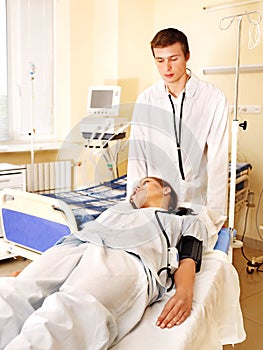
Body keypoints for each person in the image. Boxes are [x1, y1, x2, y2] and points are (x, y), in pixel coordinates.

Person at [0, 177, 225, 350]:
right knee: (14, 291)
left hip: (129, 256)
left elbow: (189, 257)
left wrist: (184, 292)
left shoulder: (181, 219)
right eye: (136, 185)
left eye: (145, 182)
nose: (137, 187)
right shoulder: (119, 209)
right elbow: (80, 233)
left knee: (70, 310)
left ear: (166, 190)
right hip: (76, 245)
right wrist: (33, 270)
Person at [127, 28, 229, 216]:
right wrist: (134, 206)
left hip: (197, 201)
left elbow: (218, 161)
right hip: (156, 202)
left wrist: (217, 213)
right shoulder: (146, 100)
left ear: (187, 56)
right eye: (160, 60)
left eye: (173, 59)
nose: (167, 68)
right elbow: (137, 158)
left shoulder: (213, 98)